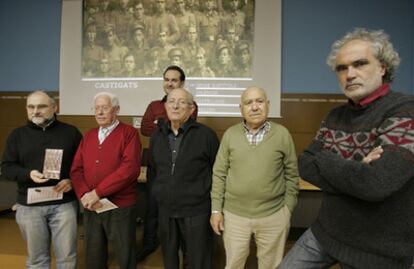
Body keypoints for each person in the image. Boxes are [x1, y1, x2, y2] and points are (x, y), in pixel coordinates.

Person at [277, 28, 414, 269]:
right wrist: (357, 169)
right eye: (342, 68)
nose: (350, 74)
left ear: (383, 68)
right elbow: (305, 164)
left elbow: (376, 184)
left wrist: (328, 160)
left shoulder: (405, 111)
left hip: (377, 249)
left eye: (360, 64)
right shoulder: (335, 115)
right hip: (326, 232)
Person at [211, 86, 300, 269]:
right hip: (234, 216)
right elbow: (219, 174)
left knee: (271, 265)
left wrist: (287, 210)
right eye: (248, 102)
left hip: (273, 215)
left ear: (268, 105)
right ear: (241, 108)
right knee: (234, 264)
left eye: (259, 101)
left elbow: (292, 175)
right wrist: (216, 210)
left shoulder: (282, 134)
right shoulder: (230, 135)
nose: (254, 107)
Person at [1, 90, 82, 269]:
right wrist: (28, 174)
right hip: (29, 207)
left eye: (42, 106)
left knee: (67, 258)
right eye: (31, 106)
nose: (35, 111)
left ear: (55, 108)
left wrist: (71, 181)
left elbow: (83, 166)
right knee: (37, 260)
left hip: (64, 204)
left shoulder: (71, 133)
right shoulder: (17, 135)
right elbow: (7, 168)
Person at [150, 88, 220, 269]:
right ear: (165, 106)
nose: (175, 105)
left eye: (182, 102)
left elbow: (218, 172)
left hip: (196, 210)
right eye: (171, 101)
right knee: (170, 261)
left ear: (191, 109)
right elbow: (154, 170)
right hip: (166, 210)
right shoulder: (156, 136)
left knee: (199, 261)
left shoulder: (206, 135)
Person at [71, 92, 141, 269]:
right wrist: (85, 195)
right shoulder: (89, 135)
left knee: (125, 254)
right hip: (91, 206)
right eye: (96, 108)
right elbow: (76, 169)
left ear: (116, 110)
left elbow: (129, 170)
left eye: (105, 108)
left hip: (119, 206)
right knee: (93, 255)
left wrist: (97, 193)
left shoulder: (129, 133)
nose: (99, 112)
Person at [137, 65, 197, 262]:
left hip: (181, 169)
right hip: (157, 167)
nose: (169, 83)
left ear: (182, 83)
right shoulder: (154, 104)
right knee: (152, 207)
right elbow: (145, 128)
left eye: (174, 80)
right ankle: (149, 243)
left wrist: (159, 123)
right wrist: (163, 124)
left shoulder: (190, 104)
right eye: (167, 79)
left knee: (179, 209)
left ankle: (184, 249)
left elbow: (184, 124)